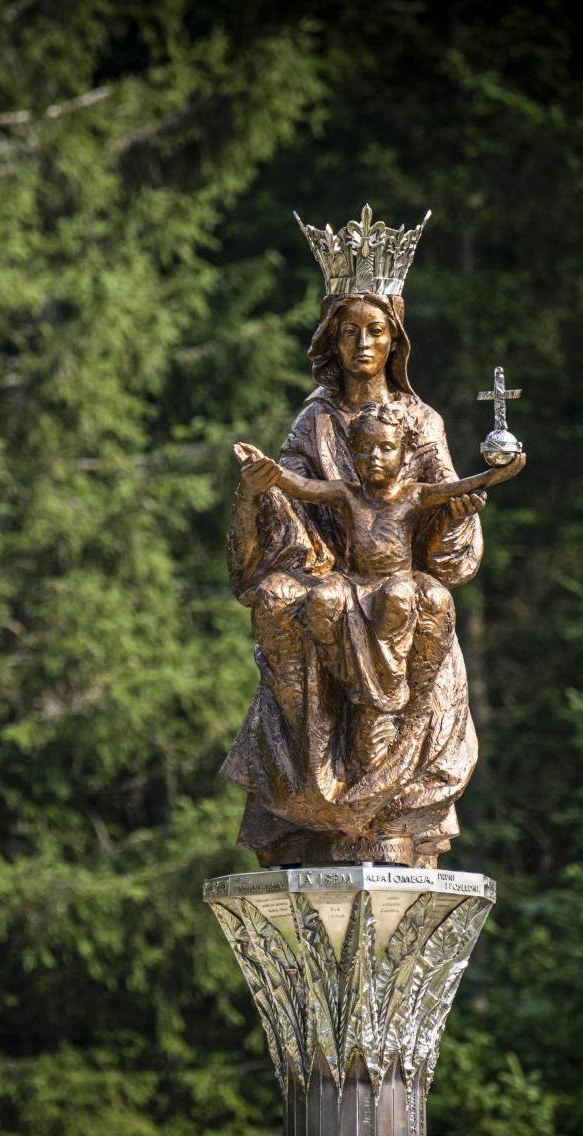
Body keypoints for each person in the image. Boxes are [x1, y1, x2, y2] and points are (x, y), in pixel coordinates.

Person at [221, 290, 496, 866]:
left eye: (375, 331)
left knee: (420, 600)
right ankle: (310, 771)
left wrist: (454, 518)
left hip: (396, 579)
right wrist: (263, 489)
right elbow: (291, 500)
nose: (362, 345)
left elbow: (447, 527)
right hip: (325, 573)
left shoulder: (421, 422)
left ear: (395, 340)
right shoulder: (315, 420)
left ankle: (385, 789)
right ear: (330, 339)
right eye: (349, 332)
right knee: (278, 596)